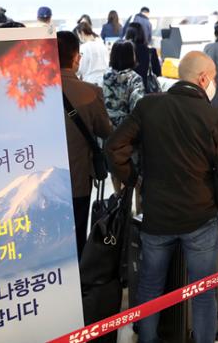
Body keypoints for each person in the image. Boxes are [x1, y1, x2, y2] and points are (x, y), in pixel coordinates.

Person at [105, 51, 218, 343]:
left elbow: (114, 148)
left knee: (150, 288)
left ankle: (147, 340)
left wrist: (133, 178)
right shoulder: (216, 118)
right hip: (200, 217)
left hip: (157, 217)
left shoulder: (149, 106)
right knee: (203, 292)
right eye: (213, 79)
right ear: (204, 79)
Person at [57, 31, 112, 260]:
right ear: (76, 58)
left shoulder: (33, 92)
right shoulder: (90, 93)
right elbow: (105, 131)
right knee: (77, 235)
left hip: (40, 185)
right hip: (77, 179)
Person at [102, 40, 145, 192]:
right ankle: (137, 211)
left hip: (109, 132)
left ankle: (119, 204)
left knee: (115, 171)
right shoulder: (135, 78)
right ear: (131, 56)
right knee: (136, 174)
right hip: (129, 134)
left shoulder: (105, 77)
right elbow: (137, 107)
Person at [125, 22, 161, 93]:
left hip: (128, 91)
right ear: (142, 34)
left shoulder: (124, 51)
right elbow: (157, 72)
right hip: (146, 92)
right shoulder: (151, 52)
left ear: (128, 34)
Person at [76, 21, 110, 86]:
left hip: (89, 82)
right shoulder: (102, 46)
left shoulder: (83, 48)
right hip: (104, 81)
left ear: (82, 33)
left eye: (79, 35)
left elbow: (80, 69)